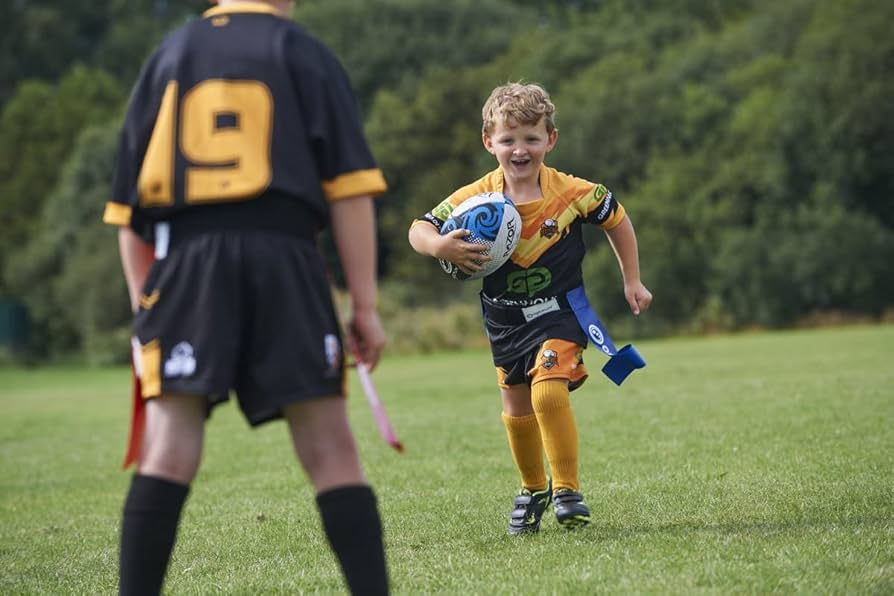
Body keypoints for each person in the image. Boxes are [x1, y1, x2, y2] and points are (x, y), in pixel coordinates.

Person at [103, 1, 390, 593]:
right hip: (284, 254)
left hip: (186, 262)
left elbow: (127, 216)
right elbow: (350, 193)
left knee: (168, 447)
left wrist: (144, 311)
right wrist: (364, 306)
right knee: (331, 448)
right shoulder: (304, 53)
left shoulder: (170, 54)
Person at [408, 82, 653, 535]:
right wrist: (440, 243)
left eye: (531, 138)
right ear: (489, 142)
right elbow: (418, 229)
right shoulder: (476, 196)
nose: (519, 149)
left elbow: (616, 218)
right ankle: (532, 487)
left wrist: (631, 279)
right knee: (517, 407)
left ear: (550, 140)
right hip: (503, 319)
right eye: (508, 139)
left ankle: (566, 489)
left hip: (559, 312)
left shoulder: (573, 192)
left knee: (548, 391)